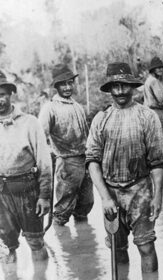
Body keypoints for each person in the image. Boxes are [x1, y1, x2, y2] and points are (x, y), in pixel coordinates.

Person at [86, 62, 163, 272]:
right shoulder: (101, 119)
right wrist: (105, 197)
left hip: (140, 190)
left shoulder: (147, 117)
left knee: (146, 245)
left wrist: (158, 196)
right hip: (110, 191)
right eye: (115, 86)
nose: (120, 91)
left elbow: (157, 162)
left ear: (132, 86)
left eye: (124, 85)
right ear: (109, 89)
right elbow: (92, 162)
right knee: (117, 249)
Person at [0, 71, 51, 263]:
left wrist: (44, 196)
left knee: (35, 241)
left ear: (10, 94)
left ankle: (41, 275)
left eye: (2, 94)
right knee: (5, 247)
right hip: (1, 194)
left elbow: (45, 163)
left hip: (28, 190)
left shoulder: (30, 123)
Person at [38, 64, 93, 226]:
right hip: (66, 162)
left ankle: (85, 242)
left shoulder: (77, 106)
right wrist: (47, 158)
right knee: (63, 208)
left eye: (70, 83)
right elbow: (40, 136)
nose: (68, 87)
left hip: (85, 160)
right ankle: (61, 237)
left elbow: (87, 135)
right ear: (56, 86)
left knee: (86, 204)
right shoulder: (50, 108)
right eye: (63, 84)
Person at [143, 56, 163, 159]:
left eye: (161, 68)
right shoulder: (154, 81)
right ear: (153, 69)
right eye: (158, 68)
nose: (160, 69)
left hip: (148, 112)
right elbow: (162, 100)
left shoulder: (148, 80)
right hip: (156, 111)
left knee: (152, 137)